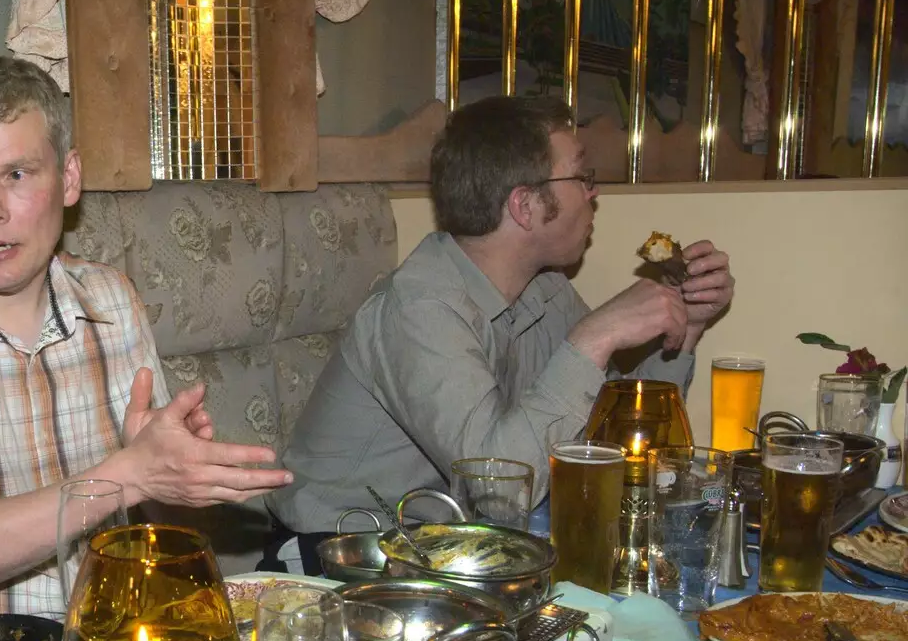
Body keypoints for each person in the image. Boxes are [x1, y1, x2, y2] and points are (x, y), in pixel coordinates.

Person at [0, 56, 292, 624]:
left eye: (17, 174)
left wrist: (169, 477)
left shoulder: (112, 303)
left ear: (69, 178)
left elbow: (158, 522)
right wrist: (129, 473)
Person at [265, 96, 735, 563]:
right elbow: (494, 491)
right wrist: (593, 337)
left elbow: (609, 442)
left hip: (444, 548)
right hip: (335, 560)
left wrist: (686, 329)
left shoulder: (545, 290)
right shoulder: (419, 309)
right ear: (525, 206)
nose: (593, 193)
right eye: (581, 177)